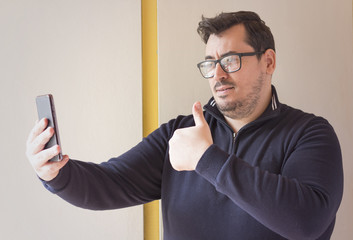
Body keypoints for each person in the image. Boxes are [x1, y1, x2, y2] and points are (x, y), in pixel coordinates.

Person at [26, 11, 343, 240]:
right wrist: (55, 174)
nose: (217, 75)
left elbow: (307, 223)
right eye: (210, 64)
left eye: (230, 60)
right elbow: (111, 183)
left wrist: (207, 159)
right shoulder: (180, 134)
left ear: (268, 62)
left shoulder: (310, 134)